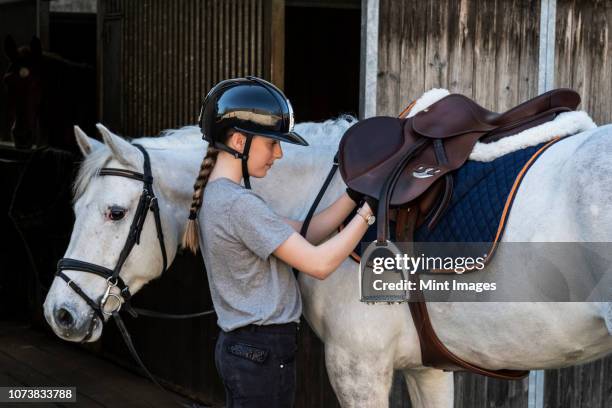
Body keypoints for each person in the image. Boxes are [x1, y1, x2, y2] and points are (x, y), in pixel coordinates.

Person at [183, 76, 374, 408]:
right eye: (271, 143)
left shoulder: (222, 197)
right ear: (240, 142)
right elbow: (319, 263)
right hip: (262, 354)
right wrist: (369, 211)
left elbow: (301, 233)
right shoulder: (239, 205)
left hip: (248, 352)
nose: (280, 153)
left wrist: (355, 193)